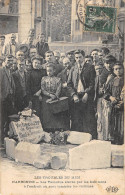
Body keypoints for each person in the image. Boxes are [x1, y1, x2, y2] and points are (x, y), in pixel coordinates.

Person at [67, 50, 96, 138]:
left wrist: (87, 93)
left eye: (80, 57)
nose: (78, 59)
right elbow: (69, 84)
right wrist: (73, 95)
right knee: (76, 118)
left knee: (87, 118)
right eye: (76, 58)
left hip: (86, 96)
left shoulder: (90, 67)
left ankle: (88, 139)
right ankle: (76, 139)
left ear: (83, 57)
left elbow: (92, 83)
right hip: (76, 97)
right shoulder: (73, 68)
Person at [41, 63, 70, 131]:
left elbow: (58, 90)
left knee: (55, 116)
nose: (49, 72)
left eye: (50, 71)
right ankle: (47, 131)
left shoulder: (58, 79)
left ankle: (56, 132)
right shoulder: (43, 79)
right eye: (47, 71)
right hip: (46, 99)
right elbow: (43, 89)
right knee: (47, 117)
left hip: (55, 99)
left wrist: (54, 96)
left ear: (54, 71)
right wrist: (49, 95)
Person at [104, 62, 124, 144]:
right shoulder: (112, 80)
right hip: (113, 105)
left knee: (121, 124)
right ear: (113, 70)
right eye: (116, 69)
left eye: (120, 69)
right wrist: (111, 97)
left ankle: (121, 139)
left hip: (122, 106)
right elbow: (106, 93)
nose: (118, 71)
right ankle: (113, 138)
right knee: (112, 122)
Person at [1, 55, 15, 142]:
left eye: (11, 61)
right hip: (2, 98)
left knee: (7, 119)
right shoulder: (1, 70)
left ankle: (5, 138)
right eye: (8, 60)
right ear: (4, 61)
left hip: (9, 98)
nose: (10, 62)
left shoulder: (10, 71)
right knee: (2, 120)